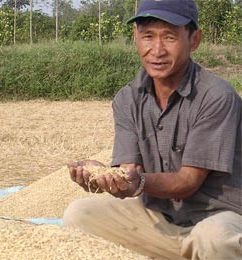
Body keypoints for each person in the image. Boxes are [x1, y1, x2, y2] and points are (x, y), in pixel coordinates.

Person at [63, 0, 242, 259]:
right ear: (136, 37)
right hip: (161, 220)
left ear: (194, 40)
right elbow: (130, 172)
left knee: (216, 239)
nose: (157, 50)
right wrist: (107, 177)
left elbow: (187, 182)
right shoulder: (127, 99)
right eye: (148, 36)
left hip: (219, 218)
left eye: (170, 37)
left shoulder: (215, 96)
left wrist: (139, 182)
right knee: (80, 216)